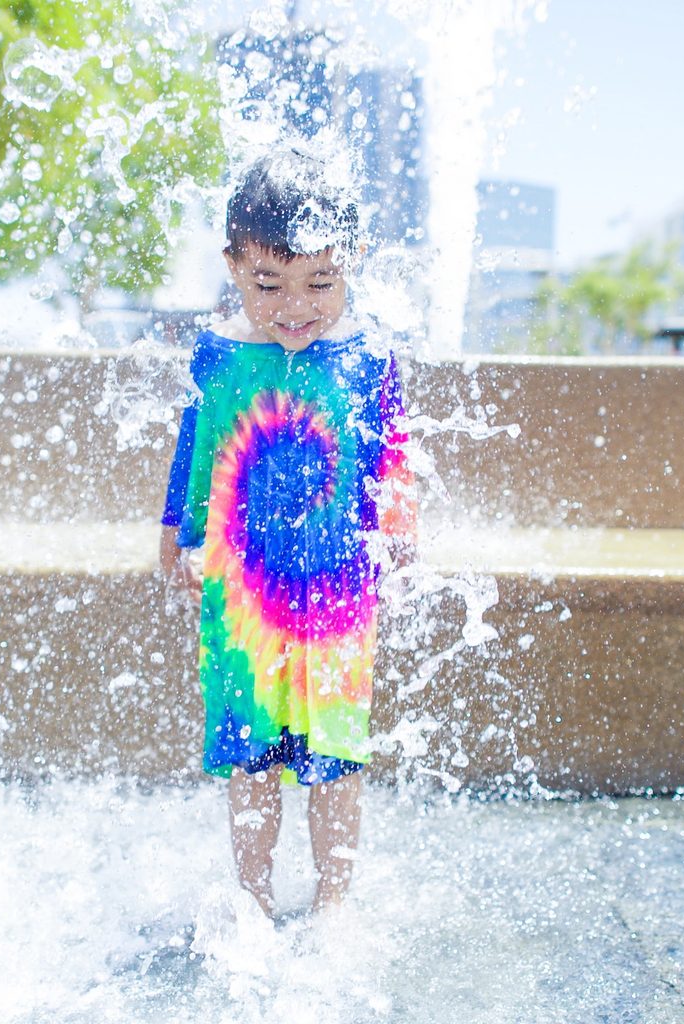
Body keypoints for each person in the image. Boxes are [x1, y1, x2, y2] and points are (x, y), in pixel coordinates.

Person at [159, 150, 416, 919]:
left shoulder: (369, 358)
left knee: (336, 755)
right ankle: (255, 900)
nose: (294, 307)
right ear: (234, 266)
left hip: (338, 594)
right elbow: (196, 448)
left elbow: (392, 460)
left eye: (320, 284)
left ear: (352, 265)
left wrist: (400, 547)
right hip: (242, 599)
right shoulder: (219, 355)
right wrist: (177, 534)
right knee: (251, 756)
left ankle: (333, 901)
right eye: (268, 285)